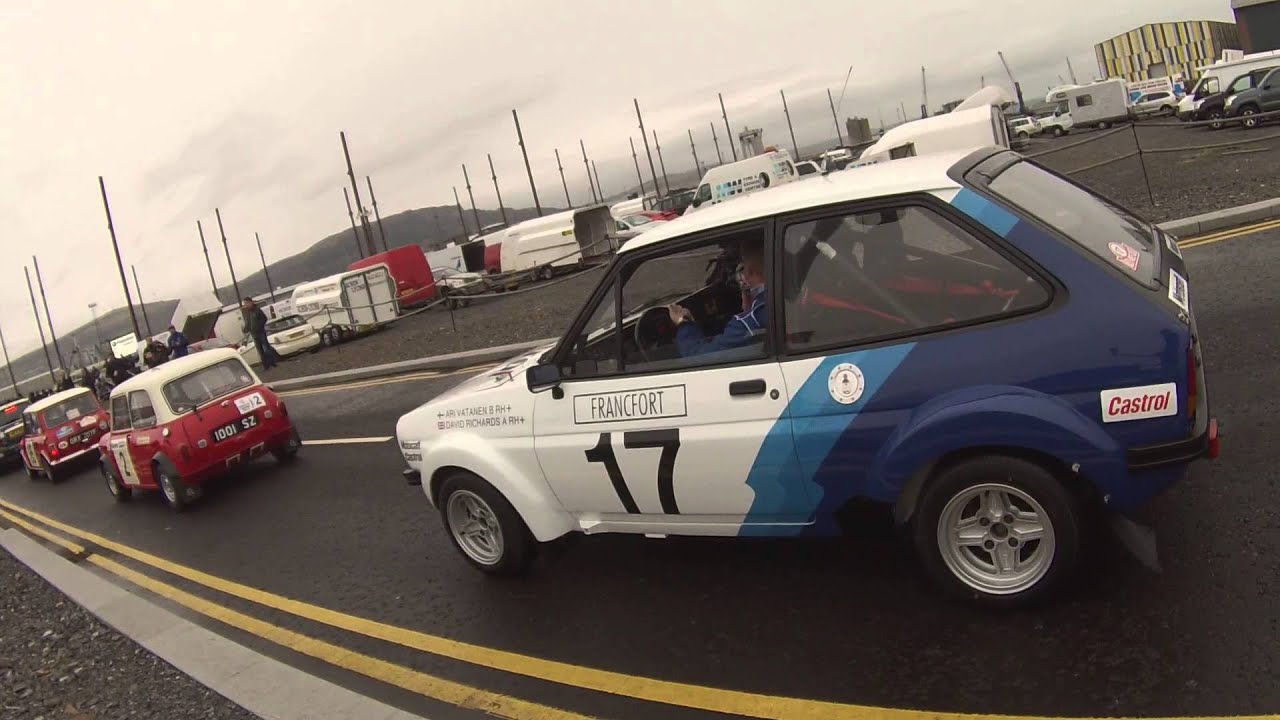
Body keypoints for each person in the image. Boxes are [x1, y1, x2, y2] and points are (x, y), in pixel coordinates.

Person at [668, 243, 767, 357]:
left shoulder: (748, 324)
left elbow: (697, 356)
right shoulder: (779, 301)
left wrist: (683, 322)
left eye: (742, 268)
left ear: (749, 272)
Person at [244, 299, 282, 370]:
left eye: (246, 303)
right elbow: (248, 324)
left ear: (251, 302)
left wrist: (259, 326)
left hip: (261, 332)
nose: (245, 305)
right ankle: (265, 366)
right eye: (245, 304)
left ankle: (272, 362)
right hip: (254, 334)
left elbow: (264, 319)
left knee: (266, 348)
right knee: (260, 350)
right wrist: (245, 329)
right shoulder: (248, 313)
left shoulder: (257, 310)